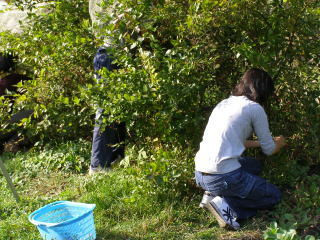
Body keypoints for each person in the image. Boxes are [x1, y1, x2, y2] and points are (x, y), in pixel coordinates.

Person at [194, 68, 286, 230]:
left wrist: (262, 142)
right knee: (274, 195)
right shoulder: (255, 109)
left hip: (201, 173)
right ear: (263, 90)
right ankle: (227, 206)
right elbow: (269, 150)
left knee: (254, 166)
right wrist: (279, 142)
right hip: (223, 176)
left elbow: (239, 142)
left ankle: (212, 194)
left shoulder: (225, 103)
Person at [89, 47, 126, 175]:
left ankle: (113, 158)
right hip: (108, 58)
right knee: (105, 111)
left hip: (114, 56)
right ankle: (98, 166)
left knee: (117, 110)